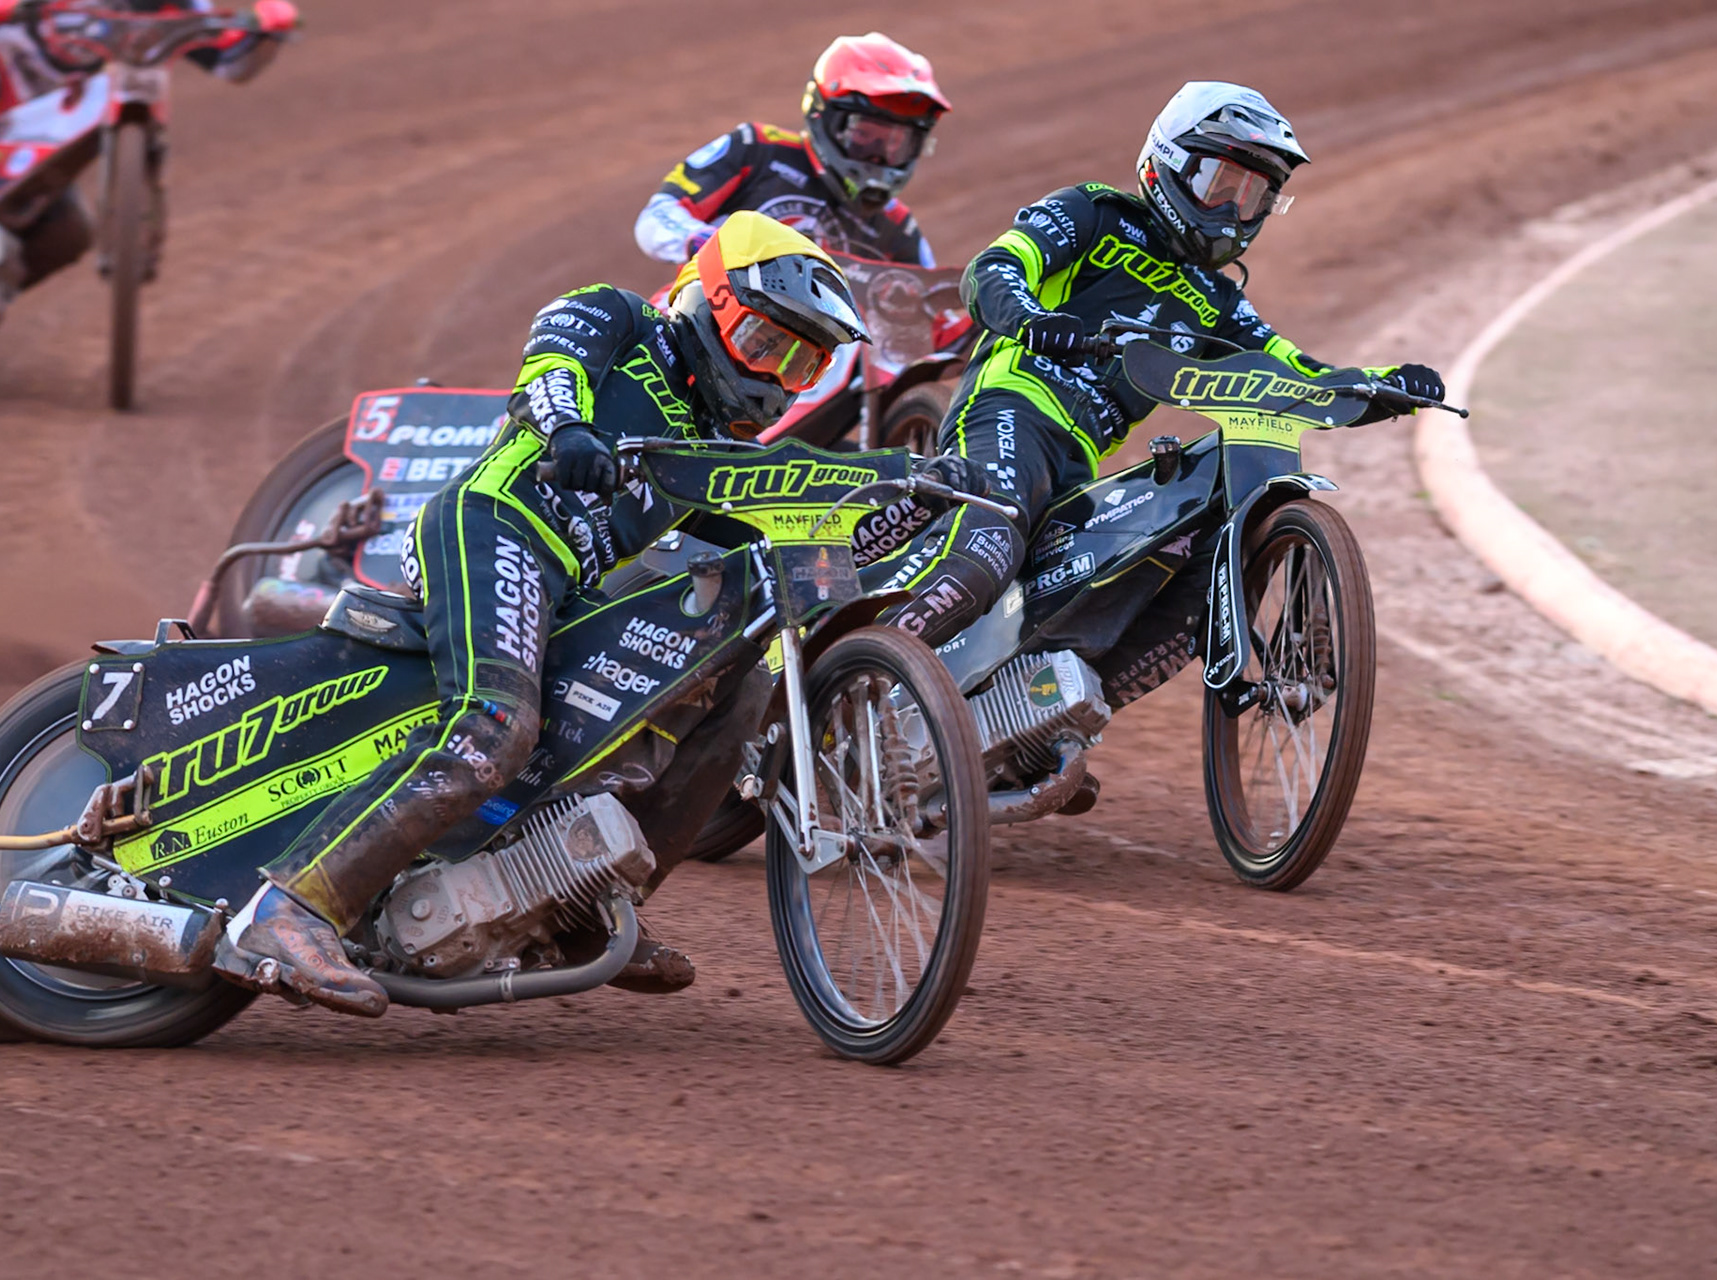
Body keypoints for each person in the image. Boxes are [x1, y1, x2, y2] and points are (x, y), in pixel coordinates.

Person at [213, 213, 871, 1017]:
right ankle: (290, 910)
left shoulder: (706, 444)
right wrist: (569, 427)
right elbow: (551, 365)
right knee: (496, 726)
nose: (778, 375)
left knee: (723, 690)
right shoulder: (623, 319)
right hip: (493, 525)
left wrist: (884, 513)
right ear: (712, 301)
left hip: (565, 587)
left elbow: (761, 516)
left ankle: (581, 914)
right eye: (769, 345)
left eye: (803, 364)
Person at [879, 81, 1447, 708]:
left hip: (1081, 465)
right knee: (989, 546)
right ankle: (853, 671)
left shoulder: (1221, 301)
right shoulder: (1093, 212)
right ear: (1166, 164)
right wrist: (1032, 319)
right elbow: (995, 268)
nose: (1234, 210)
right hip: (1014, 408)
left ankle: (1045, 719)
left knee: (1179, 559)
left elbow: (1295, 370)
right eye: (1220, 184)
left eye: (1255, 195)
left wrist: (1383, 385)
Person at [0, 0, 296, 342]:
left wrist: (271, 27)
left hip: (53, 128)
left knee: (68, 232)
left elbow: (233, 64)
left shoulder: (173, 5)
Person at [634, 32, 948, 268]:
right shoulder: (758, 150)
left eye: (897, 143)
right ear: (824, 115)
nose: (879, 156)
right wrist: (708, 243)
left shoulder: (896, 226)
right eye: (865, 134)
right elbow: (657, 217)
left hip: (814, 354)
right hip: (702, 324)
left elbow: (935, 312)